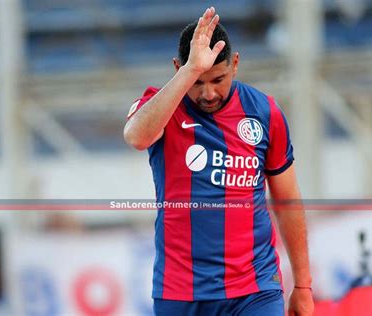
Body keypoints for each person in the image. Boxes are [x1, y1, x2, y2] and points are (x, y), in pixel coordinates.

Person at [124, 7, 314, 316]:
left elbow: (287, 199)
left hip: (255, 290)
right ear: (178, 69)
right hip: (181, 293)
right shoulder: (159, 106)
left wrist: (303, 285)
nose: (208, 93)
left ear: (235, 64)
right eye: (198, 81)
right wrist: (189, 72)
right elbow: (136, 137)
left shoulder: (264, 112)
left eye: (218, 79)